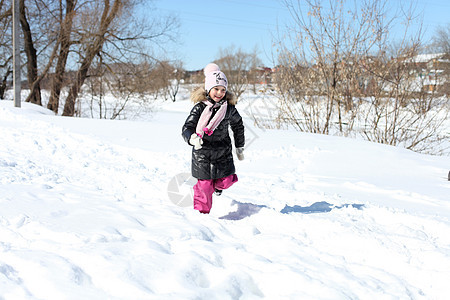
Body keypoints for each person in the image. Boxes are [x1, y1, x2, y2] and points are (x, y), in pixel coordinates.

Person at [182, 63, 245, 214]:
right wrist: (192, 138)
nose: (219, 93)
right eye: (216, 89)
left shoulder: (229, 109)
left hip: (223, 152)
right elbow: (187, 127)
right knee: (204, 186)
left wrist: (239, 146)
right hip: (202, 152)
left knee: (227, 181)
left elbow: (238, 125)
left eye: (223, 89)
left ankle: (217, 187)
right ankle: (201, 214)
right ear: (208, 89)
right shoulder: (200, 108)